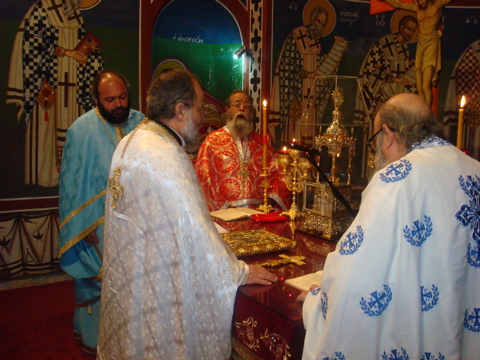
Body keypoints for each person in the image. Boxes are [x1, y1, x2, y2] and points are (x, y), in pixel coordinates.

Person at [96, 70, 277, 359]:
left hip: (132, 282)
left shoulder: (131, 142)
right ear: (180, 111)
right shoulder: (168, 156)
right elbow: (199, 239)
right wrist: (240, 272)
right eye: (200, 108)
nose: (203, 117)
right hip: (157, 291)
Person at [298, 93, 480, 359]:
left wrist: (318, 302)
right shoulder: (474, 169)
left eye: (376, 141)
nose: (379, 150)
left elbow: (357, 277)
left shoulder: (396, 179)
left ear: (388, 133)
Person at [58, 71, 144, 355]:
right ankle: (96, 344)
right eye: (110, 100)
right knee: (100, 283)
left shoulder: (142, 124)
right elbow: (70, 187)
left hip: (136, 222)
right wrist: (82, 228)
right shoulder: (80, 130)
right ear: (96, 99)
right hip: (98, 227)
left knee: (136, 287)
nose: (118, 104)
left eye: (122, 97)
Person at [6, 0, 103, 187]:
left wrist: (89, 55)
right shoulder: (42, 9)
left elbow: (81, 45)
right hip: (47, 84)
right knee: (46, 132)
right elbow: (32, 42)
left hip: (73, 86)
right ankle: (44, 178)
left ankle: (71, 179)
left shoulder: (74, 15)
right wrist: (66, 52)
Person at [194, 90, 291, 211]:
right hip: (225, 213)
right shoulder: (212, 141)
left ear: (251, 112)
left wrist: (269, 201)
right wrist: (223, 207)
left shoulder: (262, 142)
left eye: (247, 106)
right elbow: (203, 179)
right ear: (227, 110)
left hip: (258, 213)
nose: (242, 108)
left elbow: (279, 175)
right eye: (237, 104)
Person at [270, 6, 348, 143]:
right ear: (312, 19)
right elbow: (286, 65)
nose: (320, 27)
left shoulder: (317, 44)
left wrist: (337, 50)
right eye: (318, 22)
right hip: (295, 95)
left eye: (323, 25)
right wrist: (305, 74)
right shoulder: (296, 35)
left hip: (311, 98)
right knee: (293, 130)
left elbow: (324, 69)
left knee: (309, 133)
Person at [382, 0, 452, 106]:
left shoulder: (436, 6)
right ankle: (421, 112)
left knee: (425, 86)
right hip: (421, 43)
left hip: (431, 42)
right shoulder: (417, 8)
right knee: (419, 86)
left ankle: (426, 114)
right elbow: (398, 4)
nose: (422, 2)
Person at [356, 15, 418, 123]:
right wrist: (394, 79)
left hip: (398, 97)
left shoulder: (404, 49)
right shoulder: (383, 44)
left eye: (413, 30)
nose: (410, 33)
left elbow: (407, 69)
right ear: (401, 27)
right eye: (408, 28)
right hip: (381, 95)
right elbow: (371, 69)